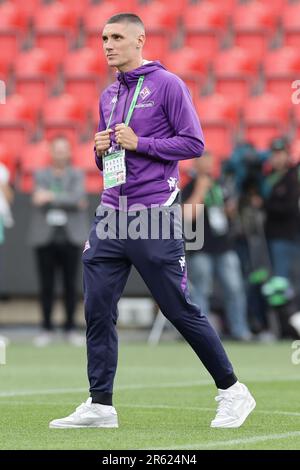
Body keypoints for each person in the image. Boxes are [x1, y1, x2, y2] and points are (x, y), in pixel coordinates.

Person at [49, 13, 255, 429]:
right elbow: (109, 160)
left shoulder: (168, 85)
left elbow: (194, 142)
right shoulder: (108, 96)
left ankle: (233, 391)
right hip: (110, 215)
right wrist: (101, 149)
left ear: (140, 40)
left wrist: (139, 142)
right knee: (98, 310)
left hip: (153, 215)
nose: (108, 44)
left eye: (117, 37)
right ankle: (100, 404)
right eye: (104, 37)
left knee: (178, 308)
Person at [182, 151, 252, 341]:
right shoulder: (189, 187)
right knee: (201, 292)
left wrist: (230, 209)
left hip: (224, 246)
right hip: (200, 248)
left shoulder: (220, 185)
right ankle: (203, 335)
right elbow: (187, 216)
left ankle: (240, 330)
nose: (208, 165)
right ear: (196, 164)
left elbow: (230, 213)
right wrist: (201, 190)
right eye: (204, 161)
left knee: (235, 288)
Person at [28, 136, 89, 347]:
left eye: (64, 149)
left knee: (71, 285)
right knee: (46, 285)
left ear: (69, 152)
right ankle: (46, 328)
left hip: (71, 236)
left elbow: (79, 199)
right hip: (45, 236)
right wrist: (67, 198)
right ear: (51, 152)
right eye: (57, 149)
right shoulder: (40, 174)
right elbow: (37, 198)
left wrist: (51, 196)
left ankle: (70, 328)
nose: (60, 153)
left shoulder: (77, 174)